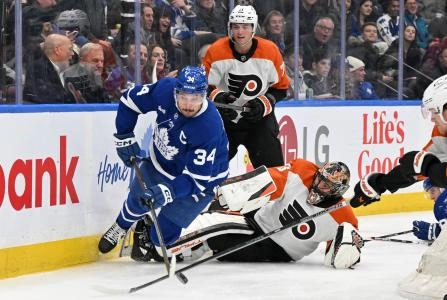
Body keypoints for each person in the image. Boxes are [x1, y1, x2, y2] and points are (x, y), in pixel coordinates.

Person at [131, 159, 364, 269]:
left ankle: (157, 245)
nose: (318, 185)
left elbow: (336, 256)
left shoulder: (342, 216)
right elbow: (272, 179)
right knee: (217, 217)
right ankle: (174, 247)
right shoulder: (304, 171)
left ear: (337, 191)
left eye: (326, 186)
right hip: (257, 221)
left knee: (217, 227)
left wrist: (349, 247)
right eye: (319, 179)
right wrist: (234, 190)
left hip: (277, 249)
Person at [98, 66, 230, 254]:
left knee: (162, 237)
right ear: (175, 91)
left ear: (204, 95)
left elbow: (197, 180)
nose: (188, 104)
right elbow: (129, 100)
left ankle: (177, 243)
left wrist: (168, 191)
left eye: (195, 98)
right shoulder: (164, 90)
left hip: (202, 180)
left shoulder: (208, 126)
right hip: (162, 162)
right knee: (137, 200)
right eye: (183, 96)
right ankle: (121, 226)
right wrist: (124, 135)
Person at [203, 5, 290, 168]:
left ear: (253, 28)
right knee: (207, 170)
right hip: (225, 122)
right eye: (236, 26)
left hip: (260, 121)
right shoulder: (216, 51)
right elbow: (205, 88)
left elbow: (281, 89)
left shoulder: (270, 51)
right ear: (230, 28)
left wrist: (264, 103)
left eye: (245, 27)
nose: (240, 32)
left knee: (274, 174)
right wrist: (218, 98)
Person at [350, 74, 447, 213]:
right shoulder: (441, 133)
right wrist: (380, 183)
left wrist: (428, 167)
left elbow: (430, 168)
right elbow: (415, 169)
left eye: (434, 111)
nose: (431, 118)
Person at [23, 33, 75, 103]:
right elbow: (47, 99)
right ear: (57, 50)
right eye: (70, 49)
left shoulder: (65, 70)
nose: (72, 53)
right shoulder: (38, 69)